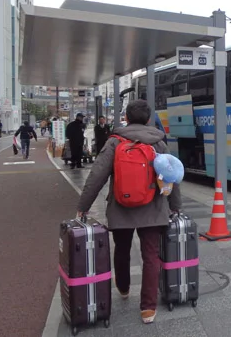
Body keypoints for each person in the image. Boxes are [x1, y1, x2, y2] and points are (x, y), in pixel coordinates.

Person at [76, 100, 181, 325]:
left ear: (127, 117)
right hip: (153, 208)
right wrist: (176, 205)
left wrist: (83, 206)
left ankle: (123, 288)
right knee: (151, 256)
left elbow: (96, 176)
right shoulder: (158, 142)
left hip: (121, 207)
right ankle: (148, 309)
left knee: (121, 250)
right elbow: (172, 175)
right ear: (148, 119)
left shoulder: (115, 141)